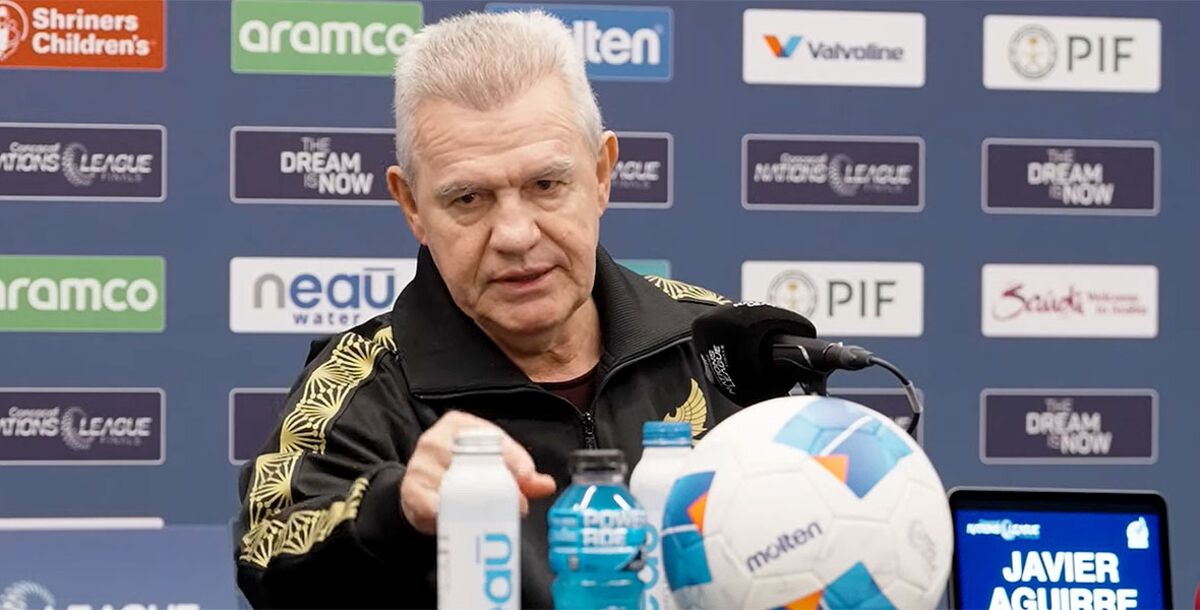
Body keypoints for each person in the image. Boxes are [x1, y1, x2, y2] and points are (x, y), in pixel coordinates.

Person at [233, 10, 738, 609]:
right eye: (468, 198)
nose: (516, 234)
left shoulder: (722, 345)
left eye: (546, 185)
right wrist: (392, 504)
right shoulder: (360, 384)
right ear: (412, 206)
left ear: (601, 174)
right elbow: (264, 552)